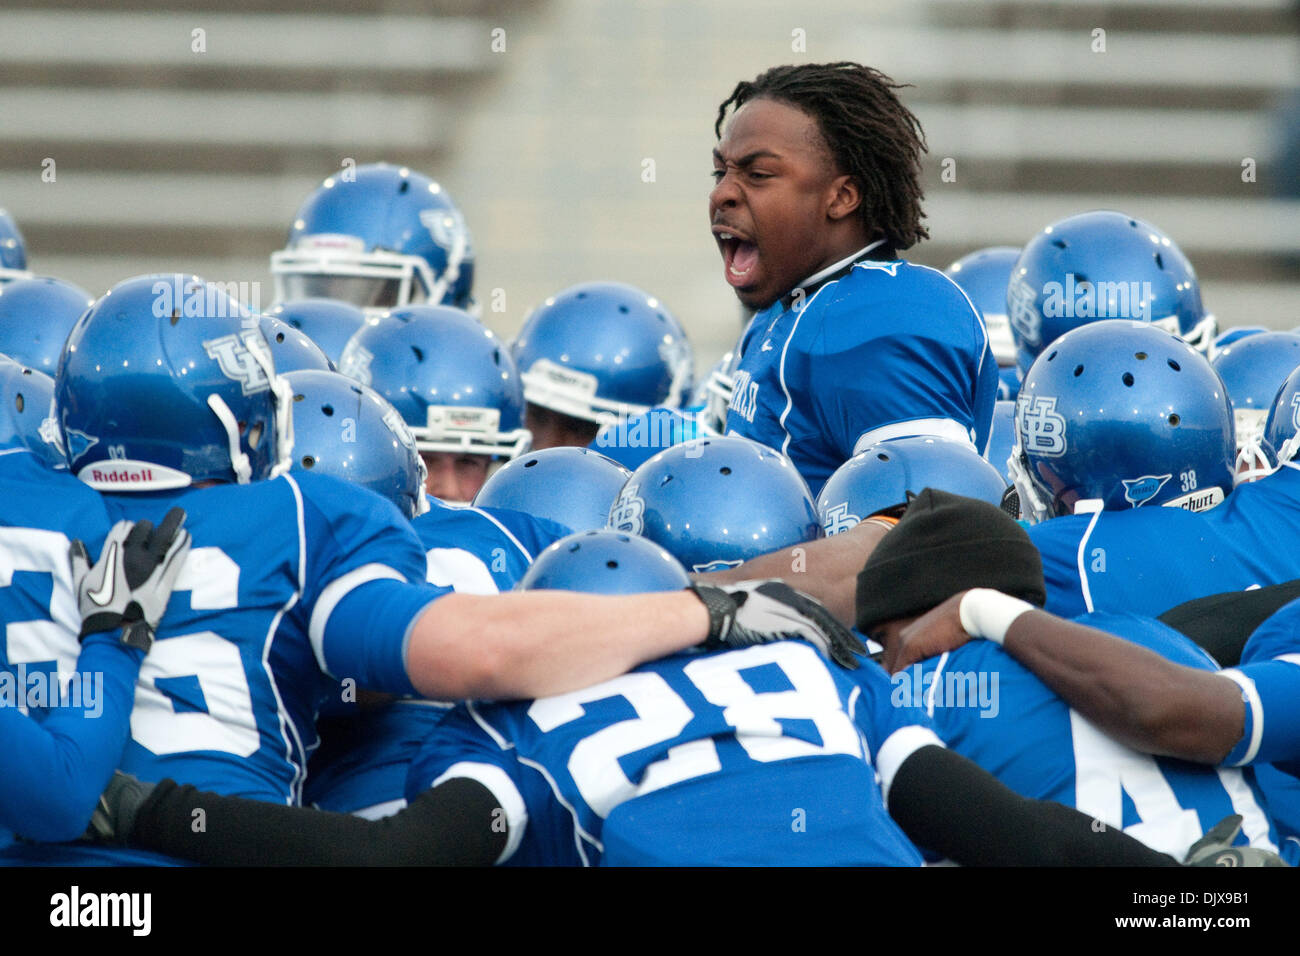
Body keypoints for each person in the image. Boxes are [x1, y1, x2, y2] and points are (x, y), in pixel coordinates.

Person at [23, 273, 861, 864]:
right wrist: (704, 611)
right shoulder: (296, 516)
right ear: (231, 416)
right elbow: (480, 652)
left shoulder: (17, 496)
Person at [88, 531, 1185, 867]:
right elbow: (1019, 838)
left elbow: (383, 864)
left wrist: (145, 809)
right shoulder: (815, 667)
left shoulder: (511, 729)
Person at [856, 489, 1281, 861]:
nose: (886, 661)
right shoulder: (1158, 639)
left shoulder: (926, 689)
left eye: (882, 639)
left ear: (922, 620)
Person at [710, 62, 997, 494]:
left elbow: (931, 527)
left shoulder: (886, 313)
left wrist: (719, 568)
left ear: (841, 197)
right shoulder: (786, 305)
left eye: (758, 175)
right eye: (721, 172)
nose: (722, 193)